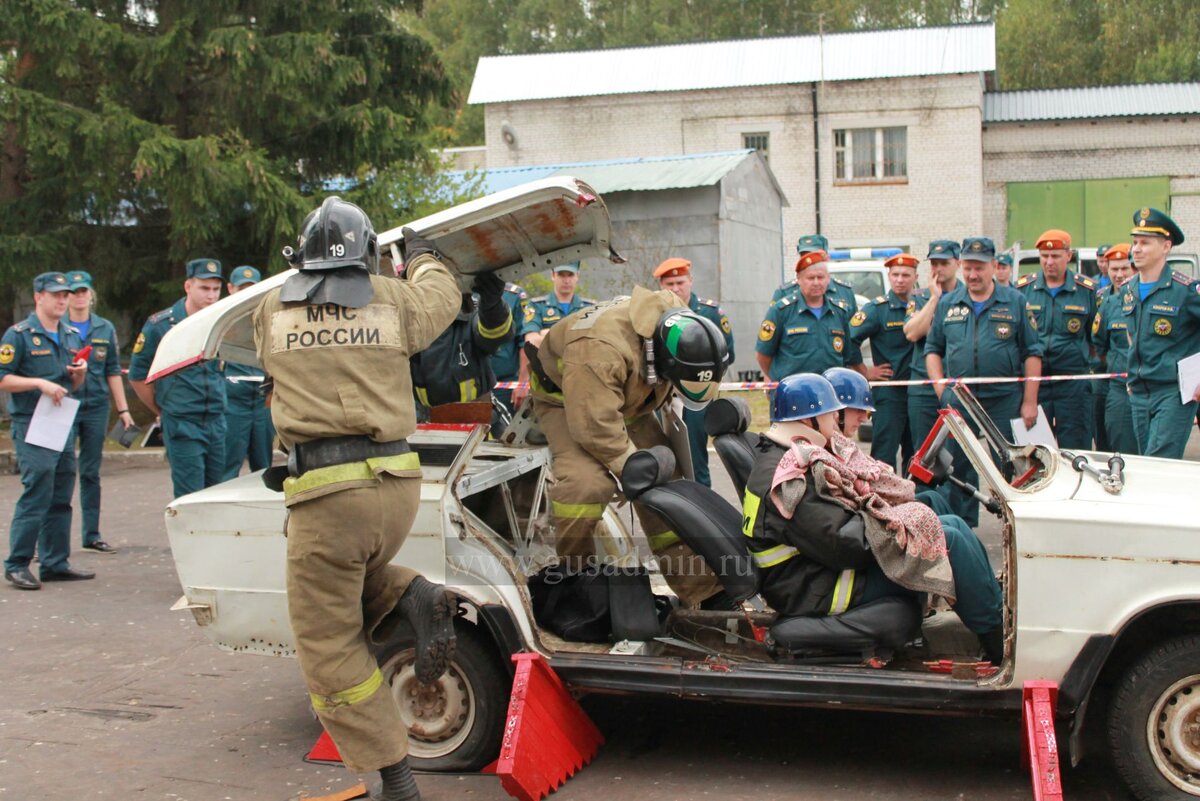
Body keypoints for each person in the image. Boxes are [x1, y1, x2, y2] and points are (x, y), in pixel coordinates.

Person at [252, 197, 460, 801]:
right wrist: (423, 258)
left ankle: (396, 779)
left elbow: (272, 364)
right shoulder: (391, 299)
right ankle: (409, 592)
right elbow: (439, 301)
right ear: (370, 255)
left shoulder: (273, 308)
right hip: (397, 486)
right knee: (348, 578)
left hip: (326, 492)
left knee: (327, 642)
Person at [740, 373, 1003, 663]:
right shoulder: (792, 477)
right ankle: (998, 645)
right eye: (829, 414)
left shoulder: (785, 456)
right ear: (809, 420)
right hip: (817, 587)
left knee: (948, 526)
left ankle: (995, 612)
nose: (834, 420)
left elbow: (833, 525)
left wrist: (892, 515)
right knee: (947, 540)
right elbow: (846, 545)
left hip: (810, 573)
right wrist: (896, 522)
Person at [529, 289, 729, 607]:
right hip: (569, 401)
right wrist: (630, 469)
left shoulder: (678, 322)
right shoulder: (599, 350)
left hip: (626, 396)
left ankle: (704, 591)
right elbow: (595, 427)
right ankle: (577, 581)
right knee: (587, 485)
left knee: (669, 487)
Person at [925, 237, 1043, 527]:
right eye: (968, 267)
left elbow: (1032, 353)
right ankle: (963, 528)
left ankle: (1012, 525)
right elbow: (932, 350)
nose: (973, 274)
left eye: (979, 267)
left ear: (993, 266)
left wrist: (1030, 401)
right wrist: (941, 387)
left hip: (1003, 399)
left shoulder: (1014, 301)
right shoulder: (949, 303)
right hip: (960, 400)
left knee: (1008, 466)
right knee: (959, 467)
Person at [2, 272, 92, 590]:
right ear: (38, 296)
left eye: (65, 295)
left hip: (60, 421)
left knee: (61, 493)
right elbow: (3, 378)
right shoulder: (20, 335)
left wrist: (78, 374)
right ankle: (17, 564)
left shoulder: (70, 335)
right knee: (37, 491)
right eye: (55, 295)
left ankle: (55, 562)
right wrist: (38, 383)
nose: (62, 300)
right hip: (31, 423)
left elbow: (74, 384)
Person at [128, 258, 228, 498]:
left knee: (217, 494)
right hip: (183, 422)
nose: (211, 296)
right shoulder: (160, 326)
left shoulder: (222, 322)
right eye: (204, 288)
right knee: (190, 497)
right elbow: (137, 376)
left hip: (216, 419)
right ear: (188, 287)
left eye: (216, 289)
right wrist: (163, 407)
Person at [1120, 208, 1200, 458]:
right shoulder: (1128, 289)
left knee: (1160, 460)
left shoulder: (1185, 290)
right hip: (1139, 392)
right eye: (1135, 242)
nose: (1137, 249)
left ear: (1166, 247)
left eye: (1145, 243)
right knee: (1147, 464)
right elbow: (1132, 335)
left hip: (1173, 392)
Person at [654, 257, 735, 487]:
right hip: (665, 398)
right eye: (670, 284)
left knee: (696, 458)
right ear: (662, 286)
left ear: (691, 280)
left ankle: (703, 508)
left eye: (680, 282)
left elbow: (728, 354)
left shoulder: (711, 314)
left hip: (697, 397)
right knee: (664, 456)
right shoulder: (657, 315)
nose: (676, 288)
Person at [66, 270, 131, 553]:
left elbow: (113, 371)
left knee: (91, 472)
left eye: (84, 291)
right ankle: (48, 538)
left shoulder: (104, 327)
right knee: (61, 470)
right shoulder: (58, 326)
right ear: (66, 297)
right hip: (64, 405)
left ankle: (91, 534)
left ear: (91, 295)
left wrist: (123, 409)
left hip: (95, 406)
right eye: (73, 292)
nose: (79, 297)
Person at [1016, 229, 1097, 449]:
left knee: (1076, 448)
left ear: (1068, 256)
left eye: (1055, 256)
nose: (1049, 262)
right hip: (1035, 385)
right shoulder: (1023, 290)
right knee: (1035, 453)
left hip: (1072, 385)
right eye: (1044, 256)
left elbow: (1095, 340)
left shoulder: (1087, 291)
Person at [848, 253, 919, 469]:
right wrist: (864, 371)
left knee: (917, 454)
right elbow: (849, 339)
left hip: (919, 392)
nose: (900, 279)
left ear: (915, 276)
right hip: (889, 393)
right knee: (884, 454)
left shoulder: (923, 305)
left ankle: (914, 499)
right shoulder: (877, 309)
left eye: (905, 275)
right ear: (889, 276)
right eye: (895, 274)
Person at [409, 272, 511, 415]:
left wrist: (492, 307)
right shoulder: (410, 324)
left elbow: (495, 336)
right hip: (426, 423)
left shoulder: (469, 315)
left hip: (478, 417)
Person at [756, 249, 862, 381]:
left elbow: (846, 355)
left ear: (828, 279)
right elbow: (763, 355)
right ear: (799, 279)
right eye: (811, 278)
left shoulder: (840, 312)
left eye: (821, 277)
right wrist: (778, 378)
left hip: (830, 391)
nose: (816, 283)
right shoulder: (781, 311)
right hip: (793, 392)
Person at [904, 241, 961, 460]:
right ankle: (926, 495)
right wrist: (935, 298)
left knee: (962, 454)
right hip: (924, 386)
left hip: (956, 383)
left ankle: (961, 496)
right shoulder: (920, 296)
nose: (938, 269)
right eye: (934, 264)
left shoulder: (967, 295)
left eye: (944, 263)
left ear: (957, 263)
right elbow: (912, 333)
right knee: (925, 453)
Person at [513, 262, 594, 409]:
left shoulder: (590, 308)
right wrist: (574, 337)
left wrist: (546, 334)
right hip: (546, 382)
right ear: (552, 276)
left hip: (582, 382)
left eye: (570, 275)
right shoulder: (537, 306)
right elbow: (531, 342)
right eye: (561, 275)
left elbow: (594, 344)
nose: (566, 280)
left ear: (577, 277)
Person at [221, 267, 276, 480]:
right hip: (233, 402)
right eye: (241, 289)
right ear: (230, 289)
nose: (246, 294)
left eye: (251, 290)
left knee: (264, 466)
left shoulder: (266, 319)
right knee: (228, 465)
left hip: (261, 401)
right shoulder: (224, 321)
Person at [1091, 244, 1138, 453]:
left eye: (1124, 269)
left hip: (1150, 386)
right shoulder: (1108, 304)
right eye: (1114, 269)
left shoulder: (1146, 299)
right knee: (1118, 445)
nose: (1119, 275)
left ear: (1134, 269)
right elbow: (1099, 344)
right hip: (1118, 387)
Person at [772, 234, 858, 314]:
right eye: (804, 256)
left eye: (815, 256)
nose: (810, 260)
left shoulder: (844, 292)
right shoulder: (784, 293)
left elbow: (853, 328)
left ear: (826, 257)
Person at [488, 280, 529, 434]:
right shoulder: (461, 292)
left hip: (506, 386)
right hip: (471, 386)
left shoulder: (514, 295)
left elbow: (525, 342)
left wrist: (522, 384)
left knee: (508, 440)